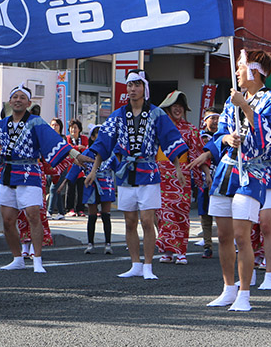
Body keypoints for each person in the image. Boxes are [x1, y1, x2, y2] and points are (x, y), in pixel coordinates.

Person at [191, 49, 271, 310]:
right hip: (227, 171)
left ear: (254, 71)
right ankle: (228, 289)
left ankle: (245, 294)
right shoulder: (231, 101)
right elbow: (221, 134)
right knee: (224, 235)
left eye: (240, 67)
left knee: (242, 235)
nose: (237, 72)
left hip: (254, 172)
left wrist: (245, 105)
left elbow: (269, 135)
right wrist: (226, 139)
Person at [0, 84, 86, 273]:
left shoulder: (36, 122)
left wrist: (75, 156)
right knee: (7, 220)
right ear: (9, 101)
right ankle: (17, 258)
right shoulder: (1, 125)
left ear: (29, 102)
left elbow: (55, 141)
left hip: (29, 171)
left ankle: (37, 259)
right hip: (8, 173)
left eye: (22, 97)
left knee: (33, 215)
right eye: (15, 97)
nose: (18, 100)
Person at [86, 69, 188, 281]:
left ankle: (148, 265)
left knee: (147, 220)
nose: (132, 89)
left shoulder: (157, 114)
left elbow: (169, 139)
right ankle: (135, 264)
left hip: (148, 172)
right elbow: (104, 143)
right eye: (130, 85)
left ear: (145, 88)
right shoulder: (118, 115)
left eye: (137, 85)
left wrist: (178, 168)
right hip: (125, 174)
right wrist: (94, 170)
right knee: (130, 221)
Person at [155, 90, 207, 265]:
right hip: (161, 175)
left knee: (180, 213)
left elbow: (199, 153)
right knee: (163, 214)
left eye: (180, 107)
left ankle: (181, 251)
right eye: (174, 106)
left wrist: (206, 174)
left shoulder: (191, 130)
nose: (178, 110)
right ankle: (167, 250)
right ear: (168, 109)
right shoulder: (159, 128)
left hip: (181, 176)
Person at [66, 125, 116, 254]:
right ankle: (90, 244)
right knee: (92, 215)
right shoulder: (87, 153)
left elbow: (119, 169)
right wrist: (64, 183)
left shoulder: (111, 153)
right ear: (92, 137)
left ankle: (108, 244)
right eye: (97, 134)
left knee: (106, 215)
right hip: (91, 185)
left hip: (106, 185)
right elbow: (76, 168)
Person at [198, 107, 221, 258]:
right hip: (204, 180)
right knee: (205, 215)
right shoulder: (200, 137)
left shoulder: (223, 136)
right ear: (205, 121)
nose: (215, 121)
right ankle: (208, 245)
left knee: (223, 214)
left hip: (222, 178)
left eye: (217, 118)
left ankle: (231, 242)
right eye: (211, 118)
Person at [64, 119, 88, 217]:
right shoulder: (67, 138)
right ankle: (70, 208)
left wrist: (77, 147)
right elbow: (68, 148)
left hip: (82, 166)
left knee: (81, 188)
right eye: (71, 128)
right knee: (70, 188)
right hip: (71, 165)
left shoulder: (84, 138)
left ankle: (80, 209)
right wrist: (79, 147)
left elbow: (86, 149)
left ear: (79, 129)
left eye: (75, 127)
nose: (73, 130)